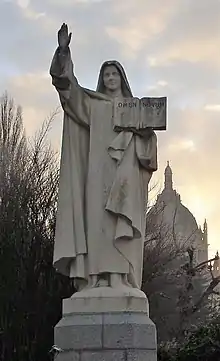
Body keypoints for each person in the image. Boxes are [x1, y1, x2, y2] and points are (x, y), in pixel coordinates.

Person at [50, 23, 157, 293]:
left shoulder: (135, 109)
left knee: (122, 223)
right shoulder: (94, 104)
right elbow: (68, 91)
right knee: (98, 224)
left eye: (114, 74)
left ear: (121, 78)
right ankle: (97, 278)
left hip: (126, 173)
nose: (110, 78)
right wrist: (63, 53)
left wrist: (144, 133)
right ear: (103, 78)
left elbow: (148, 147)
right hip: (98, 172)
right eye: (106, 74)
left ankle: (121, 279)